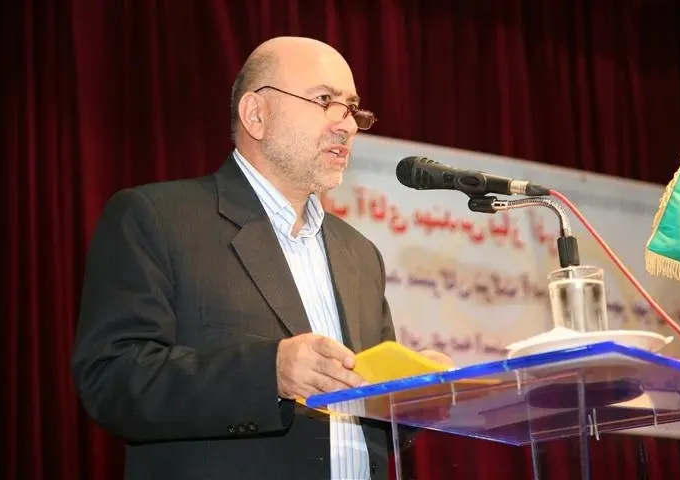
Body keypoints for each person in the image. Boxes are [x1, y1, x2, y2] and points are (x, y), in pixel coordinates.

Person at [71, 36, 452, 480]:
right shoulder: (158, 219)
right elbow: (111, 381)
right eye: (324, 101)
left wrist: (411, 398)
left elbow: (369, 418)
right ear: (256, 114)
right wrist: (269, 373)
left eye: (351, 108)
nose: (347, 125)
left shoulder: (360, 254)